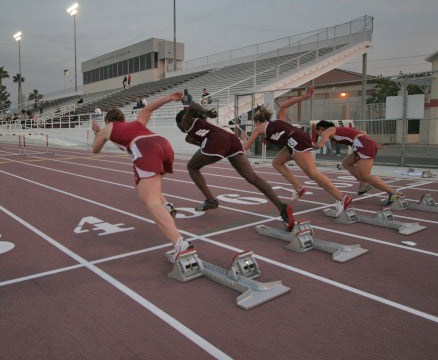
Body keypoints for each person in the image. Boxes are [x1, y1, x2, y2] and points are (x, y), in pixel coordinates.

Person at [91, 91, 193, 262]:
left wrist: (97, 131)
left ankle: (180, 244)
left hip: (145, 148)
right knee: (144, 190)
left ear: (108, 120)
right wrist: (170, 98)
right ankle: (166, 205)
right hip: (163, 144)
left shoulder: (107, 128)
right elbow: (149, 109)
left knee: (150, 201)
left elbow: (95, 150)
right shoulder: (137, 122)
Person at [176, 100, 295, 230]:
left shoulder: (185, 122)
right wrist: (197, 140)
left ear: (180, 122)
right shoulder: (199, 124)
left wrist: (206, 112)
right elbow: (205, 139)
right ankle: (280, 206)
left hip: (218, 141)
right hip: (231, 140)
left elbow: (192, 105)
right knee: (252, 177)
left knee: (192, 167)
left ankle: (210, 200)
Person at [242, 87, 352, 216]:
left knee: (313, 174)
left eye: (255, 123)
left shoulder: (259, 127)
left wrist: (244, 139)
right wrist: (303, 97)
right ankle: (298, 188)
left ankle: (342, 198)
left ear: (257, 121)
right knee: (277, 162)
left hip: (296, 141)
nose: (255, 126)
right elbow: (285, 105)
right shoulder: (278, 120)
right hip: (294, 140)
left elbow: (246, 147)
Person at [314, 120, 404, 205]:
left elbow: (319, 145)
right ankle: (363, 184)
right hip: (362, 144)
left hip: (362, 145)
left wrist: (306, 144)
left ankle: (393, 192)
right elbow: (362, 133)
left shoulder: (327, 131)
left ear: (321, 128)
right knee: (346, 163)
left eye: (317, 131)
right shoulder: (337, 130)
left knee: (366, 176)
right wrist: (372, 143)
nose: (318, 134)